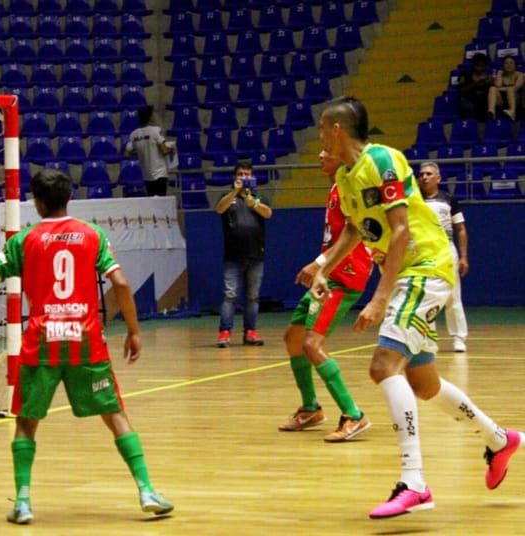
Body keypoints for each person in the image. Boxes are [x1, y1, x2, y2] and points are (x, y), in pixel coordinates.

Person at [312, 96, 519, 519]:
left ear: (337, 130)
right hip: (408, 274)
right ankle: (499, 439)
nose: (318, 139)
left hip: (424, 266)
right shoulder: (347, 180)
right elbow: (356, 227)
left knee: (382, 367)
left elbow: (400, 229)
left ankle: (415, 482)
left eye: (321, 130)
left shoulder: (384, 160)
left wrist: (381, 297)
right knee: (424, 385)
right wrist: (322, 266)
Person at [0, 169, 173, 525]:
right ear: (68, 198)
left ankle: (24, 502)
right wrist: (134, 331)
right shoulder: (92, 234)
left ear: (38, 202)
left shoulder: (24, 240)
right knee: (115, 414)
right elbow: (120, 282)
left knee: (27, 422)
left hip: (42, 342)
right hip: (85, 341)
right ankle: (146, 490)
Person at [279, 150, 373, 442]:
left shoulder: (349, 188)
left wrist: (318, 263)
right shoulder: (336, 186)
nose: (320, 154)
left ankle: (353, 415)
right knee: (293, 337)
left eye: (326, 151)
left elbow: (354, 232)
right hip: (329, 274)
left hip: (345, 276)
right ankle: (311, 409)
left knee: (312, 344)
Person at [214, 160, 273, 348]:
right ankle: (224, 333)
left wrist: (253, 203)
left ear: (253, 177)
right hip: (232, 255)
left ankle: (250, 332)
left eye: (248, 175)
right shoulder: (227, 197)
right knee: (230, 295)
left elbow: (268, 213)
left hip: (256, 255)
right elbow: (219, 209)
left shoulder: (258, 196)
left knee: (252, 297)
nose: (244, 178)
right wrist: (234, 192)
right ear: (235, 177)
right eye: (241, 175)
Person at [417, 161, 470, 352]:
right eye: (422, 174)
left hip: (446, 251)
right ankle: (429, 338)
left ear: (438, 178)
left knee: (453, 296)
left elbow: (461, 229)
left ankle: (458, 338)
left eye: (429, 174)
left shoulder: (449, 200)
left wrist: (463, 257)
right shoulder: (413, 200)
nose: (424, 177)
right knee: (425, 296)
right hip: (423, 251)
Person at [123, 105, 175, 197]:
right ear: (150, 117)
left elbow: (127, 154)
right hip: (159, 173)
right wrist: (172, 148)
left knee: (152, 203)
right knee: (160, 203)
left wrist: (142, 151)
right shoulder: (156, 130)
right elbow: (164, 151)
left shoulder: (134, 134)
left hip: (147, 175)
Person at [457, 53, 494, 121]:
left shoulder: (487, 77)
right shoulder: (465, 75)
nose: (480, 68)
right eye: (478, 66)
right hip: (469, 100)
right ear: (473, 65)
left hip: (483, 102)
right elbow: (461, 91)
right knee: (468, 106)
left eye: (482, 66)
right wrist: (475, 84)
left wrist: (492, 83)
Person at [488, 55, 523, 120]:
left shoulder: (520, 75)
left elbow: (515, 88)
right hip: (502, 101)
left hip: (515, 100)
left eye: (511, 63)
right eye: (506, 63)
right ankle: (491, 111)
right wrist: (499, 74)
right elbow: (497, 85)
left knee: (510, 89)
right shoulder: (500, 74)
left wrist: (506, 88)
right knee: (492, 89)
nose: (508, 65)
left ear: (515, 65)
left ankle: (512, 112)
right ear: (502, 66)